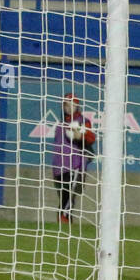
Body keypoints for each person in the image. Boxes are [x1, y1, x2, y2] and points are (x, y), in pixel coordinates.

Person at [49, 92, 96, 224]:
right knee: (64, 192)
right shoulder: (61, 124)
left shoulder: (83, 122)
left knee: (69, 193)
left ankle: (64, 219)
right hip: (60, 165)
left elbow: (90, 138)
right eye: (66, 105)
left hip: (74, 163)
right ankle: (65, 219)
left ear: (77, 106)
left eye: (72, 105)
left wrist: (80, 136)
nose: (69, 108)